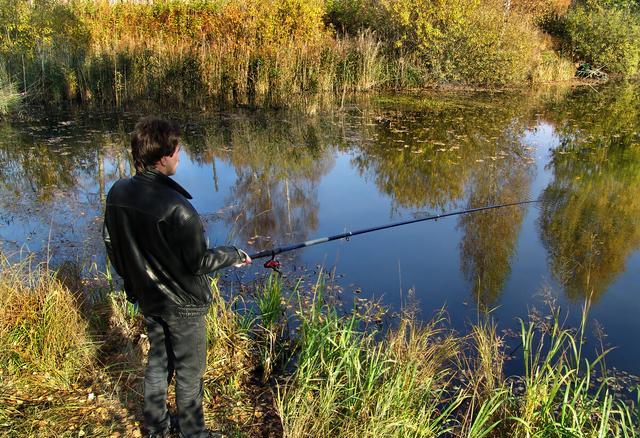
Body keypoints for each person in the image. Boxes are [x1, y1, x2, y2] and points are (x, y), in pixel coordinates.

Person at [103, 116, 251, 438]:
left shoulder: (117, 192)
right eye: (178, 152)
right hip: (184, 307)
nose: (180, 158)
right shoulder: (179, 209)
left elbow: (113, 247)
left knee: (158, 361)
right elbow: (198, 263)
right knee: (189, 372)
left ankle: (154, 427)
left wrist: (134, 284)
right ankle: (192, 432)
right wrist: (234, 254)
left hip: (149, 299)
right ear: (164, 156)